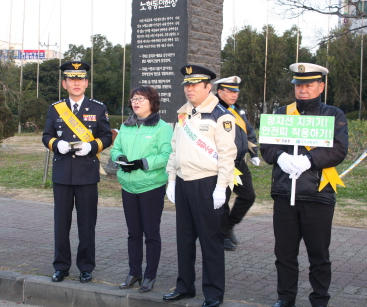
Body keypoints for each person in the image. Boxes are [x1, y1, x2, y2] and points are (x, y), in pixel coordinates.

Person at [260, 63, 348, 307]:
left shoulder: (334, 114)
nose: (303, 90)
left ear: (321, 86)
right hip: (285, 192)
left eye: (309, 85)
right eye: (299, 85)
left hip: (318, 194)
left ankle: (319, 300)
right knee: (284, 254)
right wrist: (281, 157)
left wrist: (309, 160)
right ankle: (285, 298)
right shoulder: (280, 113)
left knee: (318, 255)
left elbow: (339, 149)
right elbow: (266, 146)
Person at [163, 65, 237, 307]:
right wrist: (172, 179)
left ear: (208, 87)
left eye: (195, 84)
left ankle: (214, 292)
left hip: (208, 184)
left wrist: (221, 187)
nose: (189, 89)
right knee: (184, 239)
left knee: (210, 240)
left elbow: (228, 155)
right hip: (184, 183)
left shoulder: (221, 115)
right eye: (187, 84)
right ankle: (185, 287)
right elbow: (175, 148)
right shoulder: (183, 113)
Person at [42, 61, 112, 283]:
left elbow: (107, 136)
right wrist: (56, 144)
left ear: (87, 83)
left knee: (86, 223)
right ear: (65, 84)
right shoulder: (55, 109)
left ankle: (86, 266)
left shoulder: (98, 108)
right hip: (63, 173)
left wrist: (92, 146)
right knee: (61, 223)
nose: (76, 83)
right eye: (72, 79)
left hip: (87, 174)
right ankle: (61, 266)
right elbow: (46, 136)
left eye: (80, 79)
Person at [110, 86, 173, 293]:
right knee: (133, 233)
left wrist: (142, 163)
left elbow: (166, 155)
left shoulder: (163, 127)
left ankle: (150, 276)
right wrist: (119, 159)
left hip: (151, 186)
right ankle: (134, 272)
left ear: (152, 103)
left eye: (141, 99)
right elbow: (116, 149)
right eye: (134, 98)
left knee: (151, 233)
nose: (136, 102)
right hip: (128, 186)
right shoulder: (126, 126)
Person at [215, 76, 260, 251]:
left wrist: (254, 152)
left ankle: (229, 225)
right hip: (223, 163)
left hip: (239, 163)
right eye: (230, 91)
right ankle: (222, 235)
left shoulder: (237, 110)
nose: (234, 95)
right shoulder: (215, 110)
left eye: (236, 92)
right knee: (223, 201)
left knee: (248, 196)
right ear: (220, 92)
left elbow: (249, 132)